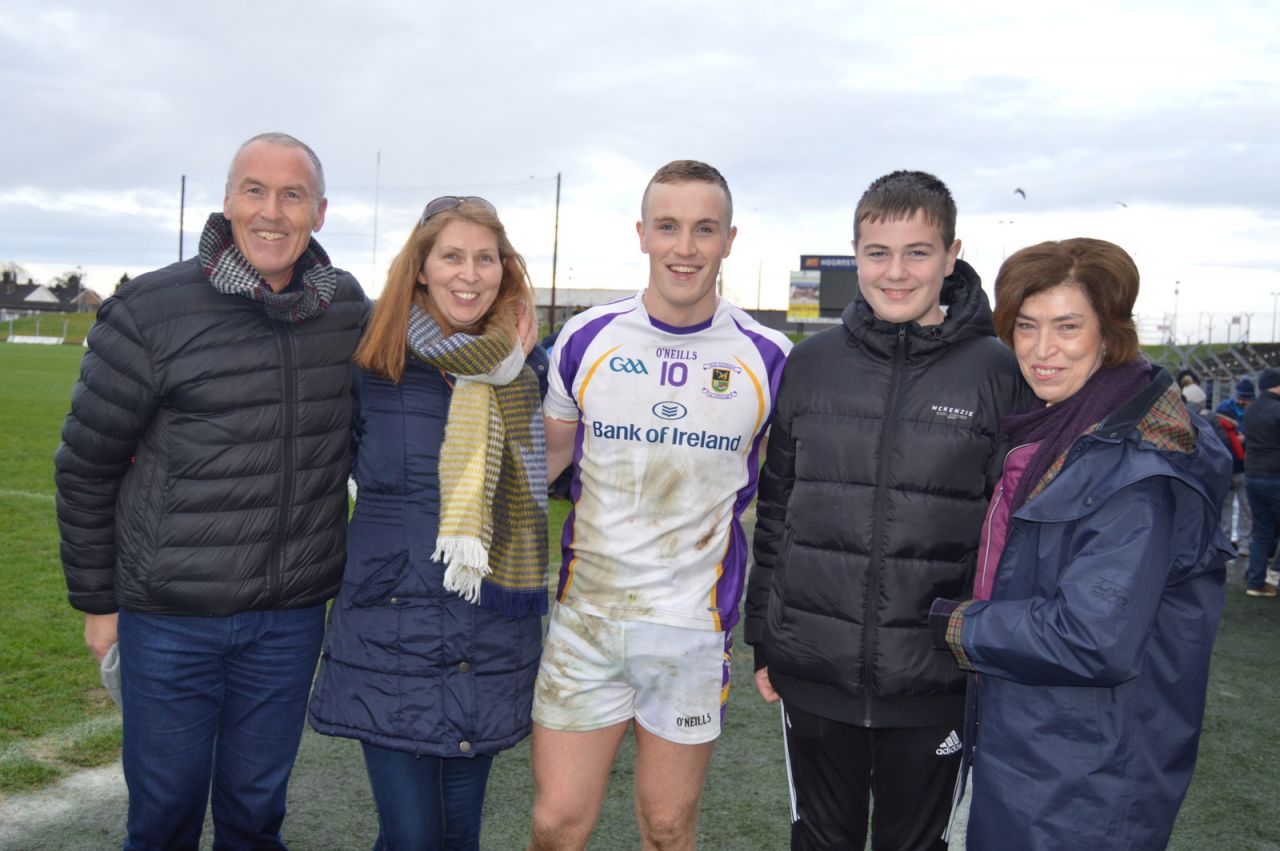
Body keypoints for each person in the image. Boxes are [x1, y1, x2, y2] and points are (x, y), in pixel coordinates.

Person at [53, 132, 368, 848]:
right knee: (164, 814)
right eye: (254, 190)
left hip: (287, 620)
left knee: (256, 814)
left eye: (292, 195)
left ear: (319, 211)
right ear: (227, 203)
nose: (272, 211)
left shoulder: (345, 308)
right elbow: (86, 465)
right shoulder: (150, 311)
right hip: (170, 617)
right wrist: (98, 604)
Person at [745, 169, 1032, 850]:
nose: (895, 271)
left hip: (938, 676)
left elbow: (1011, 536)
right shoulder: (811, 363)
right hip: (815, 671)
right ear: (855, 253)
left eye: (918, 252)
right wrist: (766, 635)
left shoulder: (999, 371)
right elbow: (778, 508)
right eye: (878, 252)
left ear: (952, 254)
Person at [930, 238, 1233, 849]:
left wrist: (957, 623)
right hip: (1048, 748)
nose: (1043, 351)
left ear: (1110, 333)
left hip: (1084, 769)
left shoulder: (1136, 466)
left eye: (1068, 327)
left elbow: (1093, 639)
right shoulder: (1073, 428)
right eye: (1027, 327)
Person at [529, 160, 792, 850]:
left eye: (703, 229)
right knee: (557, 823)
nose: (685, 246)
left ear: (728, 238)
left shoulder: (770, 358)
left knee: (669, 827)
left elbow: (791, 495)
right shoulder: (587, 339)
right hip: (586, 621)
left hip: (691, 630)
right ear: (642, 233)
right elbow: (541, 465)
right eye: (668, 226)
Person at [307, 196, 548, 849]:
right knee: (413, 837)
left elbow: (546, 479)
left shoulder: (527, 367)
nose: (469, 273)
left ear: (504, 268)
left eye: (485, 257)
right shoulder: (371, 364)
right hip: (393, 630)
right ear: (420, 267)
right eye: (451, 256)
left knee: (457, 835)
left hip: (490, 630)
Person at [1243, 368, 1280, 597]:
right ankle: (1273, 572)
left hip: (1253, 475)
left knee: (1262, 529)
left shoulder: (1251, 409)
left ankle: (1255, 580)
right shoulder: (1277, 410)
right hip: (1276, 475)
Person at [1217, 376, 1255, 553]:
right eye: (1241, 397)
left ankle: (1243, 542)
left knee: (1245, 505)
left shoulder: (1254, 411)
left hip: (1245, 466)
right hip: (1229, 465)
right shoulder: (1224, 409)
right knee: (1227, 504)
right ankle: (1225, 540)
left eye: (1246, 398)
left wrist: (1246, 438)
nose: (1242, 401)